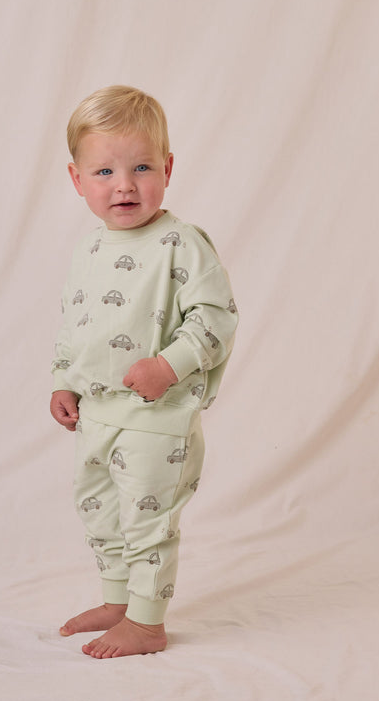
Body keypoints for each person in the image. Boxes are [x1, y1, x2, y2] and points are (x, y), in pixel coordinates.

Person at [50, 85, 238, 658]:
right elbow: (75, 325)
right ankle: (118, 600)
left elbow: (215, 317)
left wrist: (168, 365)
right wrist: (63, 379)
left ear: (168, 169)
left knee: (146, 519)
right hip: (98, 414)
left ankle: (148, 622)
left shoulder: (181, 243)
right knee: (100, 511)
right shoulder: (88, 251)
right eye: (104, 171)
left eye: (141, 167)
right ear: (77, 180)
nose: (124, 185)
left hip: (158, 416)